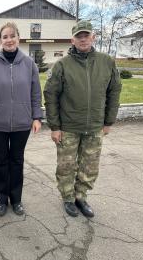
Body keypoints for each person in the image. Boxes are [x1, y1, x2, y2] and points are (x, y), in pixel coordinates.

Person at [43, 20, 122, 218]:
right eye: (79, 36)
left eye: (86, 35)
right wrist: (54, 127)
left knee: (89, 165)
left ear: (93, 37)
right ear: (73, 39)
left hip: (95, 126)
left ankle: (81, 197)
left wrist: (108, 122)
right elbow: (50, 96)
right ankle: (68, 198)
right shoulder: (62, 65)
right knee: (66, 166)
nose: (83, 39)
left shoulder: (106, 62)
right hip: (68, 126)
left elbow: (114, 91)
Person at [0, 22, 43, 217]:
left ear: (18, 38)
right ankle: (1, 199)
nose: (9, 40)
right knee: (1, 162)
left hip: (22, 123)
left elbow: (35, 92)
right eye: (5, 37)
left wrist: (37, 117)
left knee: (16, 161)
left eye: (12, 36)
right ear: (0, 41)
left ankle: (16, 199)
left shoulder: (29, 64)